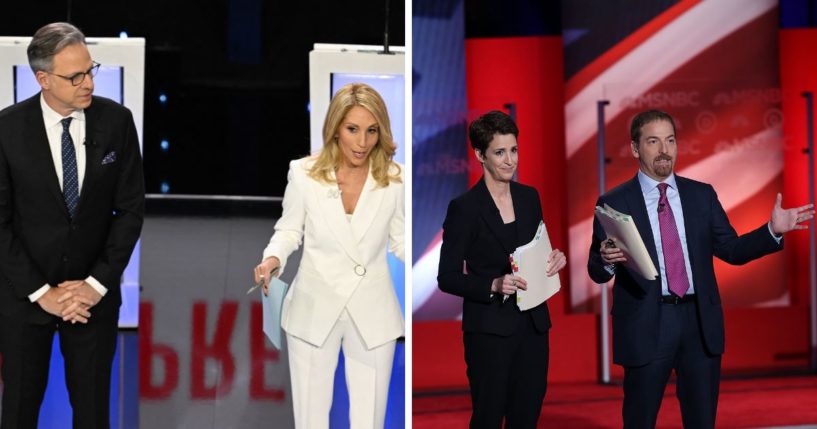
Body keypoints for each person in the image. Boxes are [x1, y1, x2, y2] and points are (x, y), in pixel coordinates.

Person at [587, 109, 814, 429]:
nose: (664, 149)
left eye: (670, 140)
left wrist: (771, 231)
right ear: (636, 149)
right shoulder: (614, 202)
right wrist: (607, 261)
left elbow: (732, 250)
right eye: (653, 141)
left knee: (702, 421)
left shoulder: (701, 195)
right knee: (639, 420)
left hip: (698, 324)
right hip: (647, 323)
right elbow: (596, 269)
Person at [0, 22, 145, 428]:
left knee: (94, 411)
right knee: (18, 409)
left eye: (90, 69)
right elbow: (1, 223)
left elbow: (130, 210)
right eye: (75, 76)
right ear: (43, 79)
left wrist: (94, 286)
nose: (88, 83)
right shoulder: (6, 130)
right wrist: (40, 292)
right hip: (25, 299)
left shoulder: (116, 122)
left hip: (92, 300)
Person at [253, 82, 404, 428]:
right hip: (313, 306)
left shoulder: (396, 180)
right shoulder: (304, 174)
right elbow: (289, 230)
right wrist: (273, 259)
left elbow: (400, 240)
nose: (362, 142)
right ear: (336, 128)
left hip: (372, 313)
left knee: (369, 422)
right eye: (353, 130)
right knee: (310, 421)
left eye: (371, 131)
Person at [437, 110, 566, 429]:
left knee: (527, 417)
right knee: (489, 417)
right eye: (500, 152)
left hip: (534, 327)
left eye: (514, 150)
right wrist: (492, 285)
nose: (510, 160)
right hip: (489, 332)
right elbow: (447, 277)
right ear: (480, 155)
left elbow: (536, 248)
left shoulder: (529, 197)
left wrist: (555, 258)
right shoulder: (464, 208)